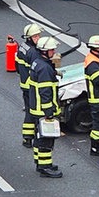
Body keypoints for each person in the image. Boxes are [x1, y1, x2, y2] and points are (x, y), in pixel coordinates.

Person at [28, 36, 63, 178]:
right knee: (46, 140)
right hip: (43, 110)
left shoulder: (37, 63)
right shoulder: (44, 68)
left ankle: (39, 162)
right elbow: (46, 92)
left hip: (36, 108)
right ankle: (45, 167)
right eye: (52, 49)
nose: (54, 51)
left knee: (39, 137)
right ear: (45, 51)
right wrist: (49, 112)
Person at [16, 23, 42, 147]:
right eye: (35, 36)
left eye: (38, 35)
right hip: (32, 86)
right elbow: (38, 70)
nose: (38, 38)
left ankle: (27, 137)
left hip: (24, 84)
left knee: (28, 111)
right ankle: (31, 137)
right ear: (29, 37)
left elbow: (17, 66)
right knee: (33, 112)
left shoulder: (22, 47)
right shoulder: (33, 52)